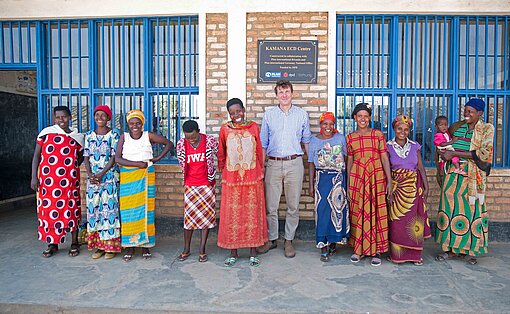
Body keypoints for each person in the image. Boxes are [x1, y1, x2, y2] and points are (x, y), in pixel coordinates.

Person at [435, 98, 494, 265]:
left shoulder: (486, 129)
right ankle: (451, 249)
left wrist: (455, 154)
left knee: (472, 210)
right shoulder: (458, 128)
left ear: (480, 113)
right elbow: (451, 146)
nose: (466, 114)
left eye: (471, 112)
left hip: (473, 176)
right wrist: (444, 152)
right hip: (453, 173)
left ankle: (470, 250)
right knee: (449, 208)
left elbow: (483, 153)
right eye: (465, 110)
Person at [257, 80, 312, 258]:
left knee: (293, 206)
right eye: (281, 92)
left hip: (294, 163)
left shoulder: (301, 115)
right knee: (271, 206)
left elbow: (307, 141)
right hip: (272, 163)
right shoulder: (269, 115)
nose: (284, 95)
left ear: (292, 93)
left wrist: (311, 164)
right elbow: (263, 142)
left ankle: (288, 240)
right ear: (276, 95)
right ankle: (272, 239)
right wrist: (262, 166)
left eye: (287, 91)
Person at [115, 109, 173, 262]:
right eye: (132, 123)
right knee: (129, 212)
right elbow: (118, 159)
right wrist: (136, 164)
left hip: (146, 175)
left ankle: (145, 245)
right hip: (128, 176)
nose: (135, 126)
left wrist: (156, 158)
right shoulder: (124, 137)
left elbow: (169, 143)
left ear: (142, 124)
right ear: (128, 124)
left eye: (138, 123)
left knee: (146, 210)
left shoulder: (149, 135)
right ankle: (129, 246)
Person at [217, 98, 268, 267]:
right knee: (233, 216)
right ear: (229, 114)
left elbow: (259, 149)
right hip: (232, 179)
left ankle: (253, 252)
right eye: (232, 113)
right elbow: (221, 152)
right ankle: (233, 253)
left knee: (252, 213)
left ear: (244, 110)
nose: (236, 115)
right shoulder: (225, 129)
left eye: (238, 111)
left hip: (252, 177)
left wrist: (261, 170)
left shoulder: (253, 127)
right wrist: (222, 171)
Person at [30, 105, 84, 257]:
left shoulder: (76, 138)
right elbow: (36, 156)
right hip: (48, 183)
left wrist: (69, 170)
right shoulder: (46, 134)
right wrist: (35, 176)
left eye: (64, 117)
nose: (61, 120)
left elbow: (78, 159)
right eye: (58, 117)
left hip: (69, 183)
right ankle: (53, 244)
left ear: (70, 117)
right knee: (51, 212)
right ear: (54, 119)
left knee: (71, 210)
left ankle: (74, 242)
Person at [346, 103, 392, 267]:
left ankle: (376, 251)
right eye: (359, 116)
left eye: (366, 116)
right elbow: (350, 161)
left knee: (376, 211)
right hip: (358, 177)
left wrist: (389, 182)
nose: (363, 119)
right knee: (359, 212)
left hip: (376, 177)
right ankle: (358, 249)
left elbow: (385, 158)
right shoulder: (350, 137)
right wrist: (348, 183)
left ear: (370, 118)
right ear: (355, 118)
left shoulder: (378, 134)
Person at [386, 115, 431, 266]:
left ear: (409, 130)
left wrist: (426, 186)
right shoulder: (387, 146)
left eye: (406, 129)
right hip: (397, 190)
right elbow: (385, 169)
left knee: (414, 222)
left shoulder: (415, 146)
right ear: (394, 129)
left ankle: (415, 255)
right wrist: (389, 187)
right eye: (399, 129)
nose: (402, 132)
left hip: (413, 189)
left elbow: (420, 167)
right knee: (397, 223)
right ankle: (397, 255)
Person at [308, 112, 349, 262]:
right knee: (322, 211)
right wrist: (311, 184)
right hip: (321, 179)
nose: (328, 127)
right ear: (320, 125)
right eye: (325, 124)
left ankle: (333, 242)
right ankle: (322, 245)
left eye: (331, 124)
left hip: (338, 179)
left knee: (337, 210)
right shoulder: (314, 141)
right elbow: (311, 163)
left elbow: (346, 158)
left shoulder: (340, 138)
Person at [176, 120, 218, 263]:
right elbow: (182, 163)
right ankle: (186, 249)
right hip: (190, 185)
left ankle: (202, 249)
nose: (191, 140)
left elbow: (221, 155)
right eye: (188, 138)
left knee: (205, 219)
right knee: (189, 220)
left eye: (194, 137)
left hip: (207, 184)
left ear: (198, 131)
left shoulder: (210, 141)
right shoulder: (181, 144)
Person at [83, 105, 121, 260]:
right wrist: (91, 174)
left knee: (108, 212)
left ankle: (110, 247)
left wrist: (101, 173)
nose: (99, 118)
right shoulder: (88, 135)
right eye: (97, 115)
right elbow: (86, 156)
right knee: (94, 212)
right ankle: (99, 247)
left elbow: (114, 157)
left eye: (103, 115)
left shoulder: (114, 134)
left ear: (109, 118)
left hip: (109, 178)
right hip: (93, 180)